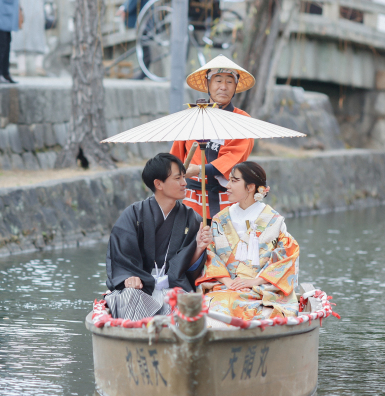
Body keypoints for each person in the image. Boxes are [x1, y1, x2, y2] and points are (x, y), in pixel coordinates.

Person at [104, 153, 213, 320]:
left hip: (175, 287)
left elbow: (189, 268)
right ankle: (138, 340)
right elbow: (121, 256)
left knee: (186, 304)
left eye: (184, 177)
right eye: (178, 178)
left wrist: (198, 247)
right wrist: (127, 277)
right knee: (129, 296)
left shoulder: (192, 219)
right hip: (142, 288)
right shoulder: (134, 215)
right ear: (158, 184)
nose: (185, 183)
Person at [195, 162, 300, 320]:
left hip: (262, 287)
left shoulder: (274, 220)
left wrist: (254, 281)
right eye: (229, 180)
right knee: (217, 304)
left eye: (234, 181)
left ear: (250, 187)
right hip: (225, 285)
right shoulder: (219, 219)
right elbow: (210, 255)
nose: (227, 186)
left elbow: (286, 258)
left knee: (264, 310)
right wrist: (228, 281)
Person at [170, 55, 255, 220]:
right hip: (190, 199)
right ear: (208, 84)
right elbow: (175, 158)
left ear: (235, 86)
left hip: (227, 200)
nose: (223, 87)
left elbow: (232, 159)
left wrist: (199, 169)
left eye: (229, 81)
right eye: (218, 80)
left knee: (224, 245)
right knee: (190, 244)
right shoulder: (191, 116)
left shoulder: (242, 120)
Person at [11, 0, 54, 76]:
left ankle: (21, 68)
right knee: (38, 37)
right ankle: (38, 65)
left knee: (21, 39)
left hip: (22, 13)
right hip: (37, 13)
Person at [116, 0, 154, 79]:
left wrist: (125, 9)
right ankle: (144, 72)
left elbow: (134, 0)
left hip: (144, 19)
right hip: (143, 19)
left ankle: (144, 72)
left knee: (144, 45)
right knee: (143, 45)